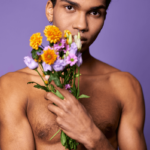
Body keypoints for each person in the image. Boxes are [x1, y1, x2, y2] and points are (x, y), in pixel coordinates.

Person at [0, 0, 147, 149]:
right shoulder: (13, 87)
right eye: (70, 8)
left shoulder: (126, 86)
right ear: (50, 10)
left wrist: (92, 136)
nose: (82, 25)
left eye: (95, 13)